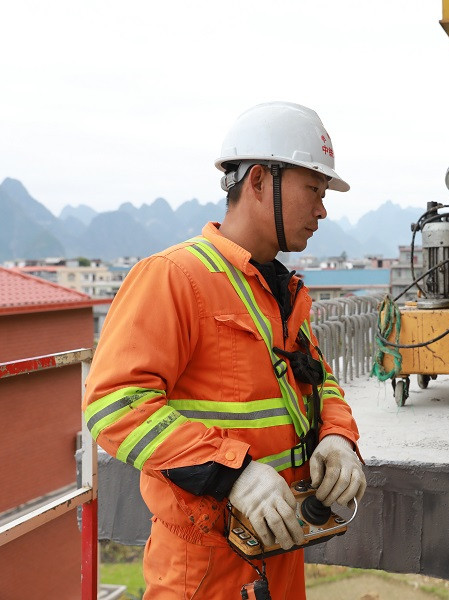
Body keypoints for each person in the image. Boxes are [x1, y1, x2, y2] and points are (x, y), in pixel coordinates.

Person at [84, 102, 365, 599]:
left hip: (279, 549)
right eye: (313, 191)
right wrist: (230, 472)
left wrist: (337, 436)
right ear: (259, 180)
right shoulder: (175, 276)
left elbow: (318, 379)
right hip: (203, 567)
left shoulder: (282, 290)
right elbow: (114, 406)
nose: (323, 210)